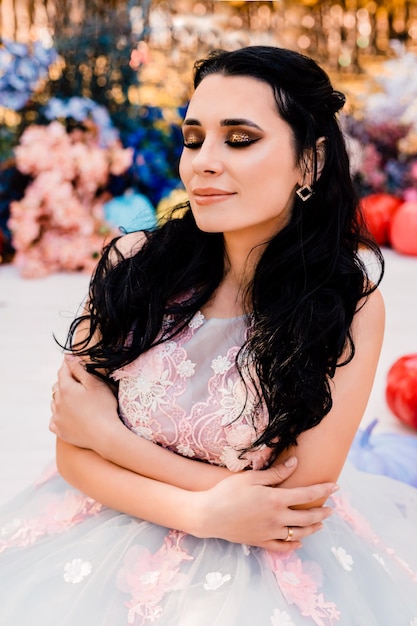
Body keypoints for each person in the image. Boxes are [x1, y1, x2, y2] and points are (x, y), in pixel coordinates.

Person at [1, 45, 416, 626]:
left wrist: (109, 435)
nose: (202, 163)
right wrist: (202, 510)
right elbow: (71, 451)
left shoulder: (348, 306)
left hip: (261, 567)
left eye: (239, 139)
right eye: (194, 139)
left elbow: (290, 509)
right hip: (96, 535)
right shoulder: (133, 264)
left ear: (311, 162)